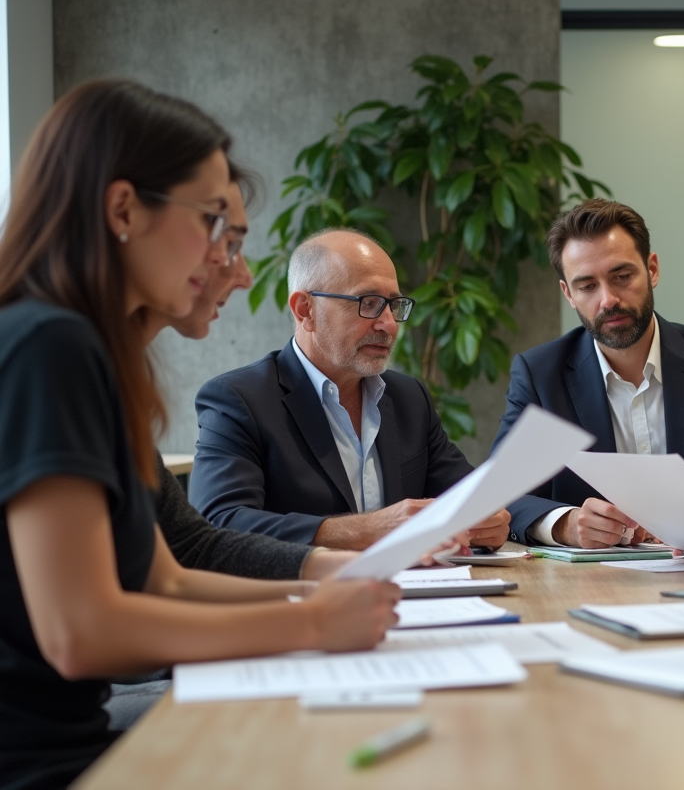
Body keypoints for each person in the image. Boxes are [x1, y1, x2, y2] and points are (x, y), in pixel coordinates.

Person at [0, 79, 399, 789]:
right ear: (123, 209)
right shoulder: (48, 344)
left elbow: (168, 579)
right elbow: (79, 633)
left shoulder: (89, 352)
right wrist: (312, 624)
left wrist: (329, 593)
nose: (232, 268)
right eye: (216, 224)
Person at [189, 228, 511, 551]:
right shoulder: (239, 400)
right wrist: (368, 529)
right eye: (369, 303)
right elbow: (219, 524)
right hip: (304, 584)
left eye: (393, 305)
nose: (389, 324)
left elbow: (470, 498)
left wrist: (487, 519)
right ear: (305, 309)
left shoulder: (410, 398)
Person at [493, 200, 684, 547]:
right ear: (568, 293)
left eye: (622, 277)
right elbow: (499, 493)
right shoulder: (541, 375)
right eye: (587, 286)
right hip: (594, 575)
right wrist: (565, 524)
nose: (608, 299)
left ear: (652, 269)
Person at [146, 171, 354, 582]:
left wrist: (350, 571)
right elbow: (80, 619)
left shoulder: (116, 371)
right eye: (224, 237)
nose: (245, 276)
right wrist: (321, 604)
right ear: (124, 213)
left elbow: (189, 548)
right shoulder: (57, 353)